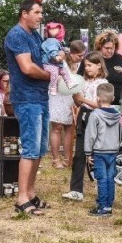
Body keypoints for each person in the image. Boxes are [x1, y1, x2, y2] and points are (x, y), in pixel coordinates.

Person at [4, 0, 51, 216]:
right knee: (30, 149)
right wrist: (50, 75)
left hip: (41, 97)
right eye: (37, 12)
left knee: (40, 149)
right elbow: (27, 67)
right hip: (27, 98)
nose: (41, 16)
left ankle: (31, 193)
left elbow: (44, 59)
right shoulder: (17, 35)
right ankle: (21, 197)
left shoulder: (34, 35)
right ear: (25, 13)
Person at [63, 50, 108, 201]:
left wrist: (83, 100)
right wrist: (76, 98)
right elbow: (78, 101)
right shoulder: (83, 82)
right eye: (85, 66)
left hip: (97, 119)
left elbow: (100, 105)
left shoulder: (103, 84)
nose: (87, 68)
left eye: (90, 65)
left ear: (99, 66)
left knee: (97, 154)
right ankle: (76, 190)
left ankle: (102, 187)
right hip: (84, 116)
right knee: (80, 154)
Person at [84, 83, 121, 217]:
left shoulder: (95, 115)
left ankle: (102, 206)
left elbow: (90, 135)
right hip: (113, 150)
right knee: (110, 178)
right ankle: (109, 204)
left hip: (100, 152)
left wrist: (88, 153)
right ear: (113, 98)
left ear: (98, 98)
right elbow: (119, 133)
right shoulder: (117, 115)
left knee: (102, 179)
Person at [47, 39, 84, 169]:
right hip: (58, 95)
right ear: (72, 53)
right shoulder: (60, 62)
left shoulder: (80, 66)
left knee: (70, 128)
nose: (81, 58)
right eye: (79, 55)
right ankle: (56, 159)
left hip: (72, 96)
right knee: (57, 127)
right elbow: (54, 76)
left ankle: (68, 158)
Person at [95, 29, 122, 105]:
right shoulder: (94, 58)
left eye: (112, 48)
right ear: (100, 46)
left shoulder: (119, 58)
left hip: (120, 102)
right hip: (100, 103)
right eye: (107, 48)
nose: (110, 51)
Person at [41, 22, 77, 96]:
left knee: (64, 70)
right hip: (48, 64)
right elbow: (52, 50)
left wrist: (64, 49)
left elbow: (58, 48)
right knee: (54, 72)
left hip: (54, 63)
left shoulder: (55, 41)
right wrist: (55, 56)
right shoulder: (52, 41)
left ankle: (69, 83)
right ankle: (53, 87)